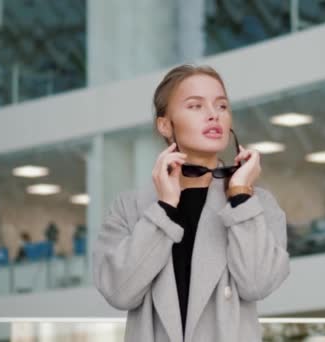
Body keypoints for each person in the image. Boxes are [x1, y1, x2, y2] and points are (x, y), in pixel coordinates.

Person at [92, 64, 290, 342]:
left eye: (221, 106)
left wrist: (241, 195)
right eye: (195, 106)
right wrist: (164, 209)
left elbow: (256, 284)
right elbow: (118, 291)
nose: (213, 115)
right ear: (165, 124)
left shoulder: (258, 205)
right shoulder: (131, 207)